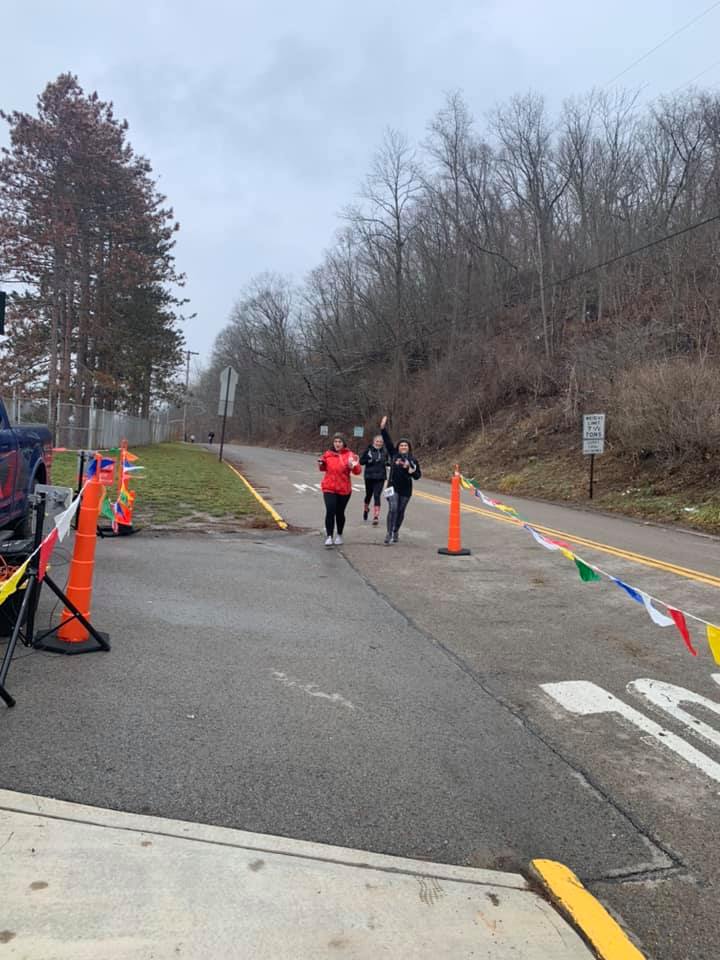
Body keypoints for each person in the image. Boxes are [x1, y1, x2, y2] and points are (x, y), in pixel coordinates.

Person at [380, 415, 421, 545]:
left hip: (406, 489)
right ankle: (389, 533)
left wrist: (412, 470)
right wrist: (382, 429)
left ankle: (396, 530)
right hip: (392, 487)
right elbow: (387, 441)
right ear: (398, 447)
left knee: (400, 511)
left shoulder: (413, 460)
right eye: (401, 445)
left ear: (409, 448)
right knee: (393, 508)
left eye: (405, 445)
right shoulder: (394, 455)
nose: (403, 447)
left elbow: (417, 476)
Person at [318, 433, 361, 547]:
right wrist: (321, 463)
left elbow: (357, 471)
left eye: (340, 442)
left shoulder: (350, 455)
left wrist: (354, 465)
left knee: (339, 513)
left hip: (344, 489)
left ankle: (340, 535)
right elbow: (323, 468)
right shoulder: (328, 454)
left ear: (344, 443)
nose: (337, 444)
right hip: (329, 487)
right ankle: (329, 536)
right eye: (335, 441)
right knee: (330, 510)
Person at [359, 434, 388, 525]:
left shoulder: (385, 451)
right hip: (369, 476)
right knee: (368, 495)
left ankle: (376, 516)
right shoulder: (368, 450)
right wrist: (368, 460)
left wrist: (389, 464)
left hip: (380, 477)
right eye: (377, 441)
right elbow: (361, 462)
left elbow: (389, 462)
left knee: (377, 495)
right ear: (374, 442)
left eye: (381, 442)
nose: (379, 443)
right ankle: (366, 508)